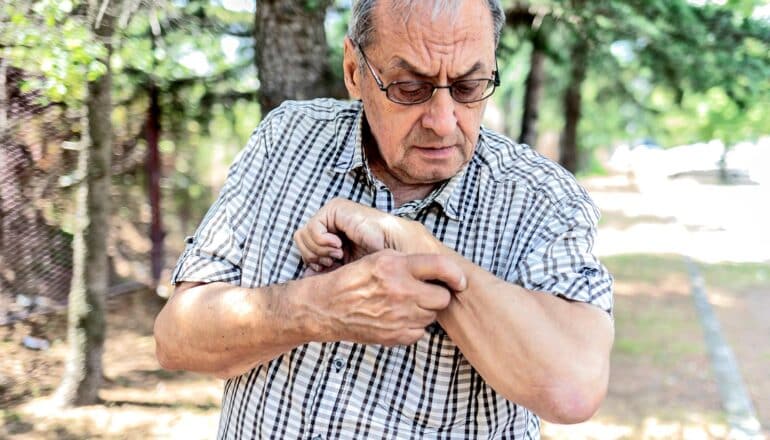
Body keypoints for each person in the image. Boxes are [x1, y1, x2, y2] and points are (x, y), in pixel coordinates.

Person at [153, 0, 614, 438]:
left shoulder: (541, 197)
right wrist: (317, 306)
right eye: (409, 88)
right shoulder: (286, 138)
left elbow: (572, 388)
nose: (443, 120)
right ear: (354, 70)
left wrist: (415, 246)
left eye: (469, 88)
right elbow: (177, 338)